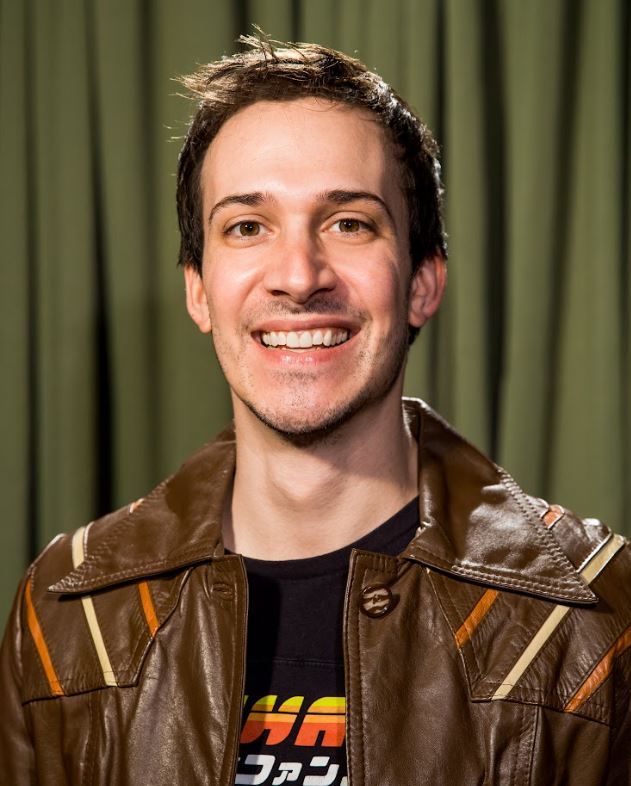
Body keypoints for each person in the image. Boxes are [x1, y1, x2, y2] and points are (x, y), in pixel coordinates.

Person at [1, 35, 630, 786]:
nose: (298, 276)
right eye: (246, 226)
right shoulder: (69, 612)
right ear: (198, 290)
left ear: (423, 283)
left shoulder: (595, 617)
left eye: (349, 222)